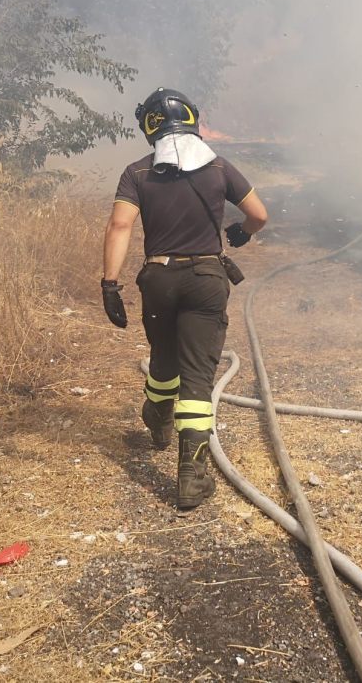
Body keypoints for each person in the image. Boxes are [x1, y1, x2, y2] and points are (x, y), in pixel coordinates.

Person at [100, 88, 267, 510]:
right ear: (193, 118)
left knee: (165, 358)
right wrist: (242, 233)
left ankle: (157, 414)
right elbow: (260, 215)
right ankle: (192, 475)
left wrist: (110, 284)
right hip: (206, 278)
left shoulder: (137, 173)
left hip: (158, 277)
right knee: (197, 373)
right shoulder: (219, 167)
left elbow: (120, 227)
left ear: (150, 127)